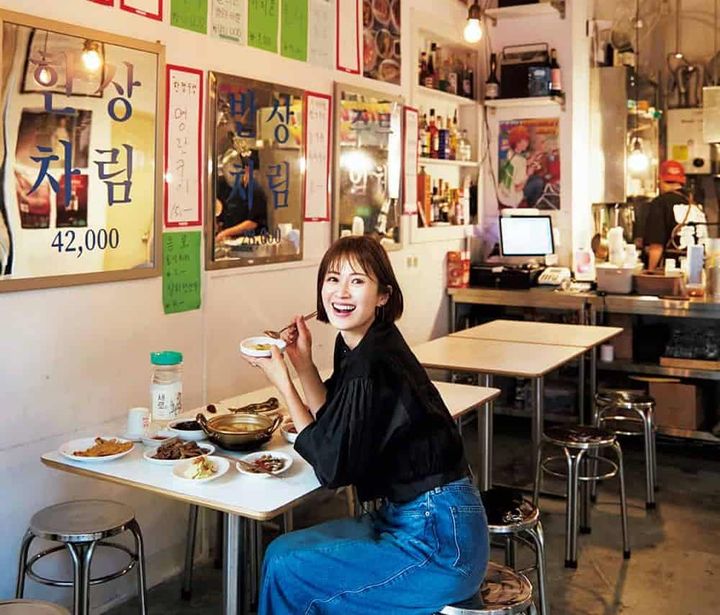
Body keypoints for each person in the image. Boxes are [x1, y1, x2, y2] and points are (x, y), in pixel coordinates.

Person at [244, 236, 489, 614]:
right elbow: (336, 423)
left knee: (289, 569)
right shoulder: (360, 344)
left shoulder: (373, 361)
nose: (341, 292)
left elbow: (332, 466)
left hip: (438, 539)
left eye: (357, 281)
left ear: (383, 296)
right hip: (410, 517)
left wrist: (283, 383)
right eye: (333, 279)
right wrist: (303, 363)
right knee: (281, 553)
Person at [643, 160, 692, 270]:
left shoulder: (660, 203)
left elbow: (656, 245)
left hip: (671, 271)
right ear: (683, 180)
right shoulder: (694, 203)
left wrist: (650, 271)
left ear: (660, 180)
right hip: (696, 269)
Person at [215, 153, 268, 243]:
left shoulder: (255, 190)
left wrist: (225, 233)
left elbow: (252, 223)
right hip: (231, 240)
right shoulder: (230, 187)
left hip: (250, 242)